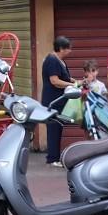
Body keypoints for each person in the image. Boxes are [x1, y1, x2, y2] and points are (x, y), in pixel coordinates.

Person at [41, 36, 73, 167]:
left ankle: (55, 157)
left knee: (58, 128)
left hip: (59, 101)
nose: (70, 51)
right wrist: (71, 85)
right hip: (52, 101)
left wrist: (77, 82)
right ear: (61, 48)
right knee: (53, 129)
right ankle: (52, 158)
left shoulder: (60, 61)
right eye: (68, 49)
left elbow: (65, 78)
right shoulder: (52, 60)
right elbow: (54, 81)